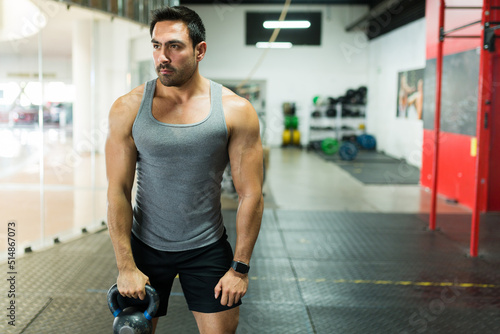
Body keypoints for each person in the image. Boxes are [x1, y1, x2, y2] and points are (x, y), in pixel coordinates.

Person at [105, 6, 264, 333]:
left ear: (199, 50)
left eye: (174, 46)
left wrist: (240, 268)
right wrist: (125, 266)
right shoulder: (128, 108)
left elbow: (251, 194)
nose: (162, 56)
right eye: (156, 45)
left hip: (207, 248)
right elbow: (117, 191)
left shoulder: (235, 111)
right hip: (145, 248)